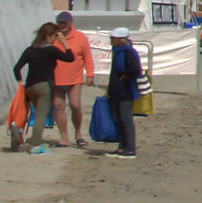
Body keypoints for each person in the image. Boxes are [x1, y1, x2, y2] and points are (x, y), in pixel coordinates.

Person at [11, 24, 71, 152]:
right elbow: (70, 58)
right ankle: (37, 145)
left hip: (29, 86)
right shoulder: (51, 50)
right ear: (49, 37)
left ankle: (16, 140)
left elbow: (16, 68)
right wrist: (64, 42)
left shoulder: (29, 50)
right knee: (40, 115)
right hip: (44, 86)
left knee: (23, 113)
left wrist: (20, 82)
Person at [51, 11, 95, 149]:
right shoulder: (53, 38)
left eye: (65, 22)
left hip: (75, 78)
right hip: (56, 79)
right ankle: (64, 137)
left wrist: (90, 74)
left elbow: (87, 57)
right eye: (60, 22)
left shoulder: (80, 37)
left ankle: (78, 134)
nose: (62, 25)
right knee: (58, 106)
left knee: (75, 105)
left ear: (71, 23)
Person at [103, 26, 142, 158]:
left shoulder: (129, 52)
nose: (111, 41)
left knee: (126, 119)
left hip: (125, 91)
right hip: (115, 91)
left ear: (120, 39)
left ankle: (130, 148)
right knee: (117, 119)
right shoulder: (117, 51)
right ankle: (121, 146)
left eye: (113, 39)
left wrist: (125, 75)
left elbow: (136, 69)